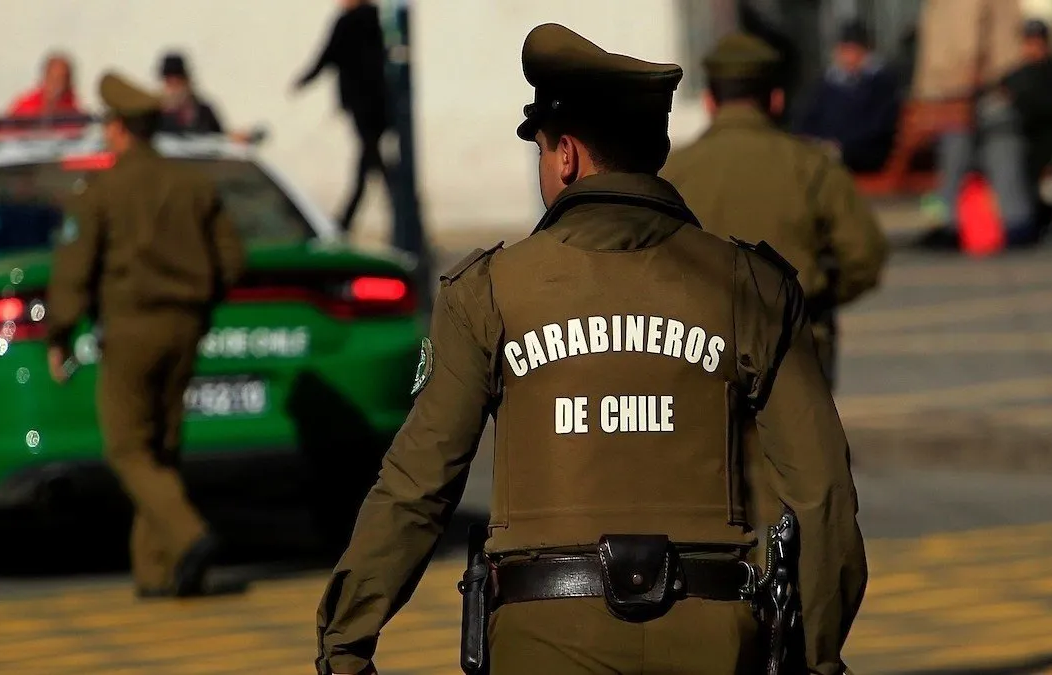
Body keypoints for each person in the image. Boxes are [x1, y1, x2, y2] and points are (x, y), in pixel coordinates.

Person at [315, 23, 867, 675]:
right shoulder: (754, 286)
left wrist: (346, 639)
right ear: (656, 148)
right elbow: (823, 494)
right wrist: (818, 657)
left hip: (543, 637)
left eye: (542, 152)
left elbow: (417, 487)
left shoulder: (488, 292)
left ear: (567, 157)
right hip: (715, 637)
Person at [45, 71, 247, 599]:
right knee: (161, 445)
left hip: (131, 327)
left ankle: (188, 535)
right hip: (185, 326)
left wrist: (59, 334)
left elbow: (75, 269)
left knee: (128, 449)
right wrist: (201, 305)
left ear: (117, 130)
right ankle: (157, 571)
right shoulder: (194, 184)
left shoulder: (101, 190)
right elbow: (232, 259)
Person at [662, 32, 888, 391]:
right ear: (777, 99)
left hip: (698, 351)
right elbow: (863, 254)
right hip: (795, 348)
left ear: (709, 100)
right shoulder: (813, 166)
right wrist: (817, 299)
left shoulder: (672, 172)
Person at [910, 0, 1035, 250]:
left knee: (955, 160)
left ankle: (951, 227)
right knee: (1003, 156)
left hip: (965, 89)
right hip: (1002, 81)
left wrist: (964, 76)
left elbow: (965, 32)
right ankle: (1016, 223)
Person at [292, 0, 393, 234]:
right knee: (370, 158)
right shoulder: (375, 19)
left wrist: (304, 80)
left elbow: (327, 55)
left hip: (361, 104)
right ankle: (352, 217)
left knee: (370, 158)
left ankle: (348, 219)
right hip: (378, 105)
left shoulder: (347, 22)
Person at [1001, 19, 1052, 231]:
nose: (1033, 47)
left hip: (1051, 139)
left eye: (1037, 42)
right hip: (1022, 137)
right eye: (1029, 42)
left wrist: (1023, 102)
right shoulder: (1015, 75)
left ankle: (1033, 219)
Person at [795, 20, 901, 174]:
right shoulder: (826, 83)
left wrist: (840, 146)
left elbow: (878, 127)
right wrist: (813, 140)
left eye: (854, 50)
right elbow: (807, 119)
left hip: (863, 152)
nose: (849, 57)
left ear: (866, 52)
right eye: (844, 50)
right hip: (825, 150)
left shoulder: (881, 83)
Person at [157, 52, 225, 135]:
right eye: (170, 84)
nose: (174, 91)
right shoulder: (156, 115)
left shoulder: (204, 112)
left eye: (178, 83)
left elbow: (219, 138)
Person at [8, 51, 82, 118]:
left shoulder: (72, 109)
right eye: (54, 78)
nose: (58, 85)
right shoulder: (26, 107)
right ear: (45, 78)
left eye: (62, 79)